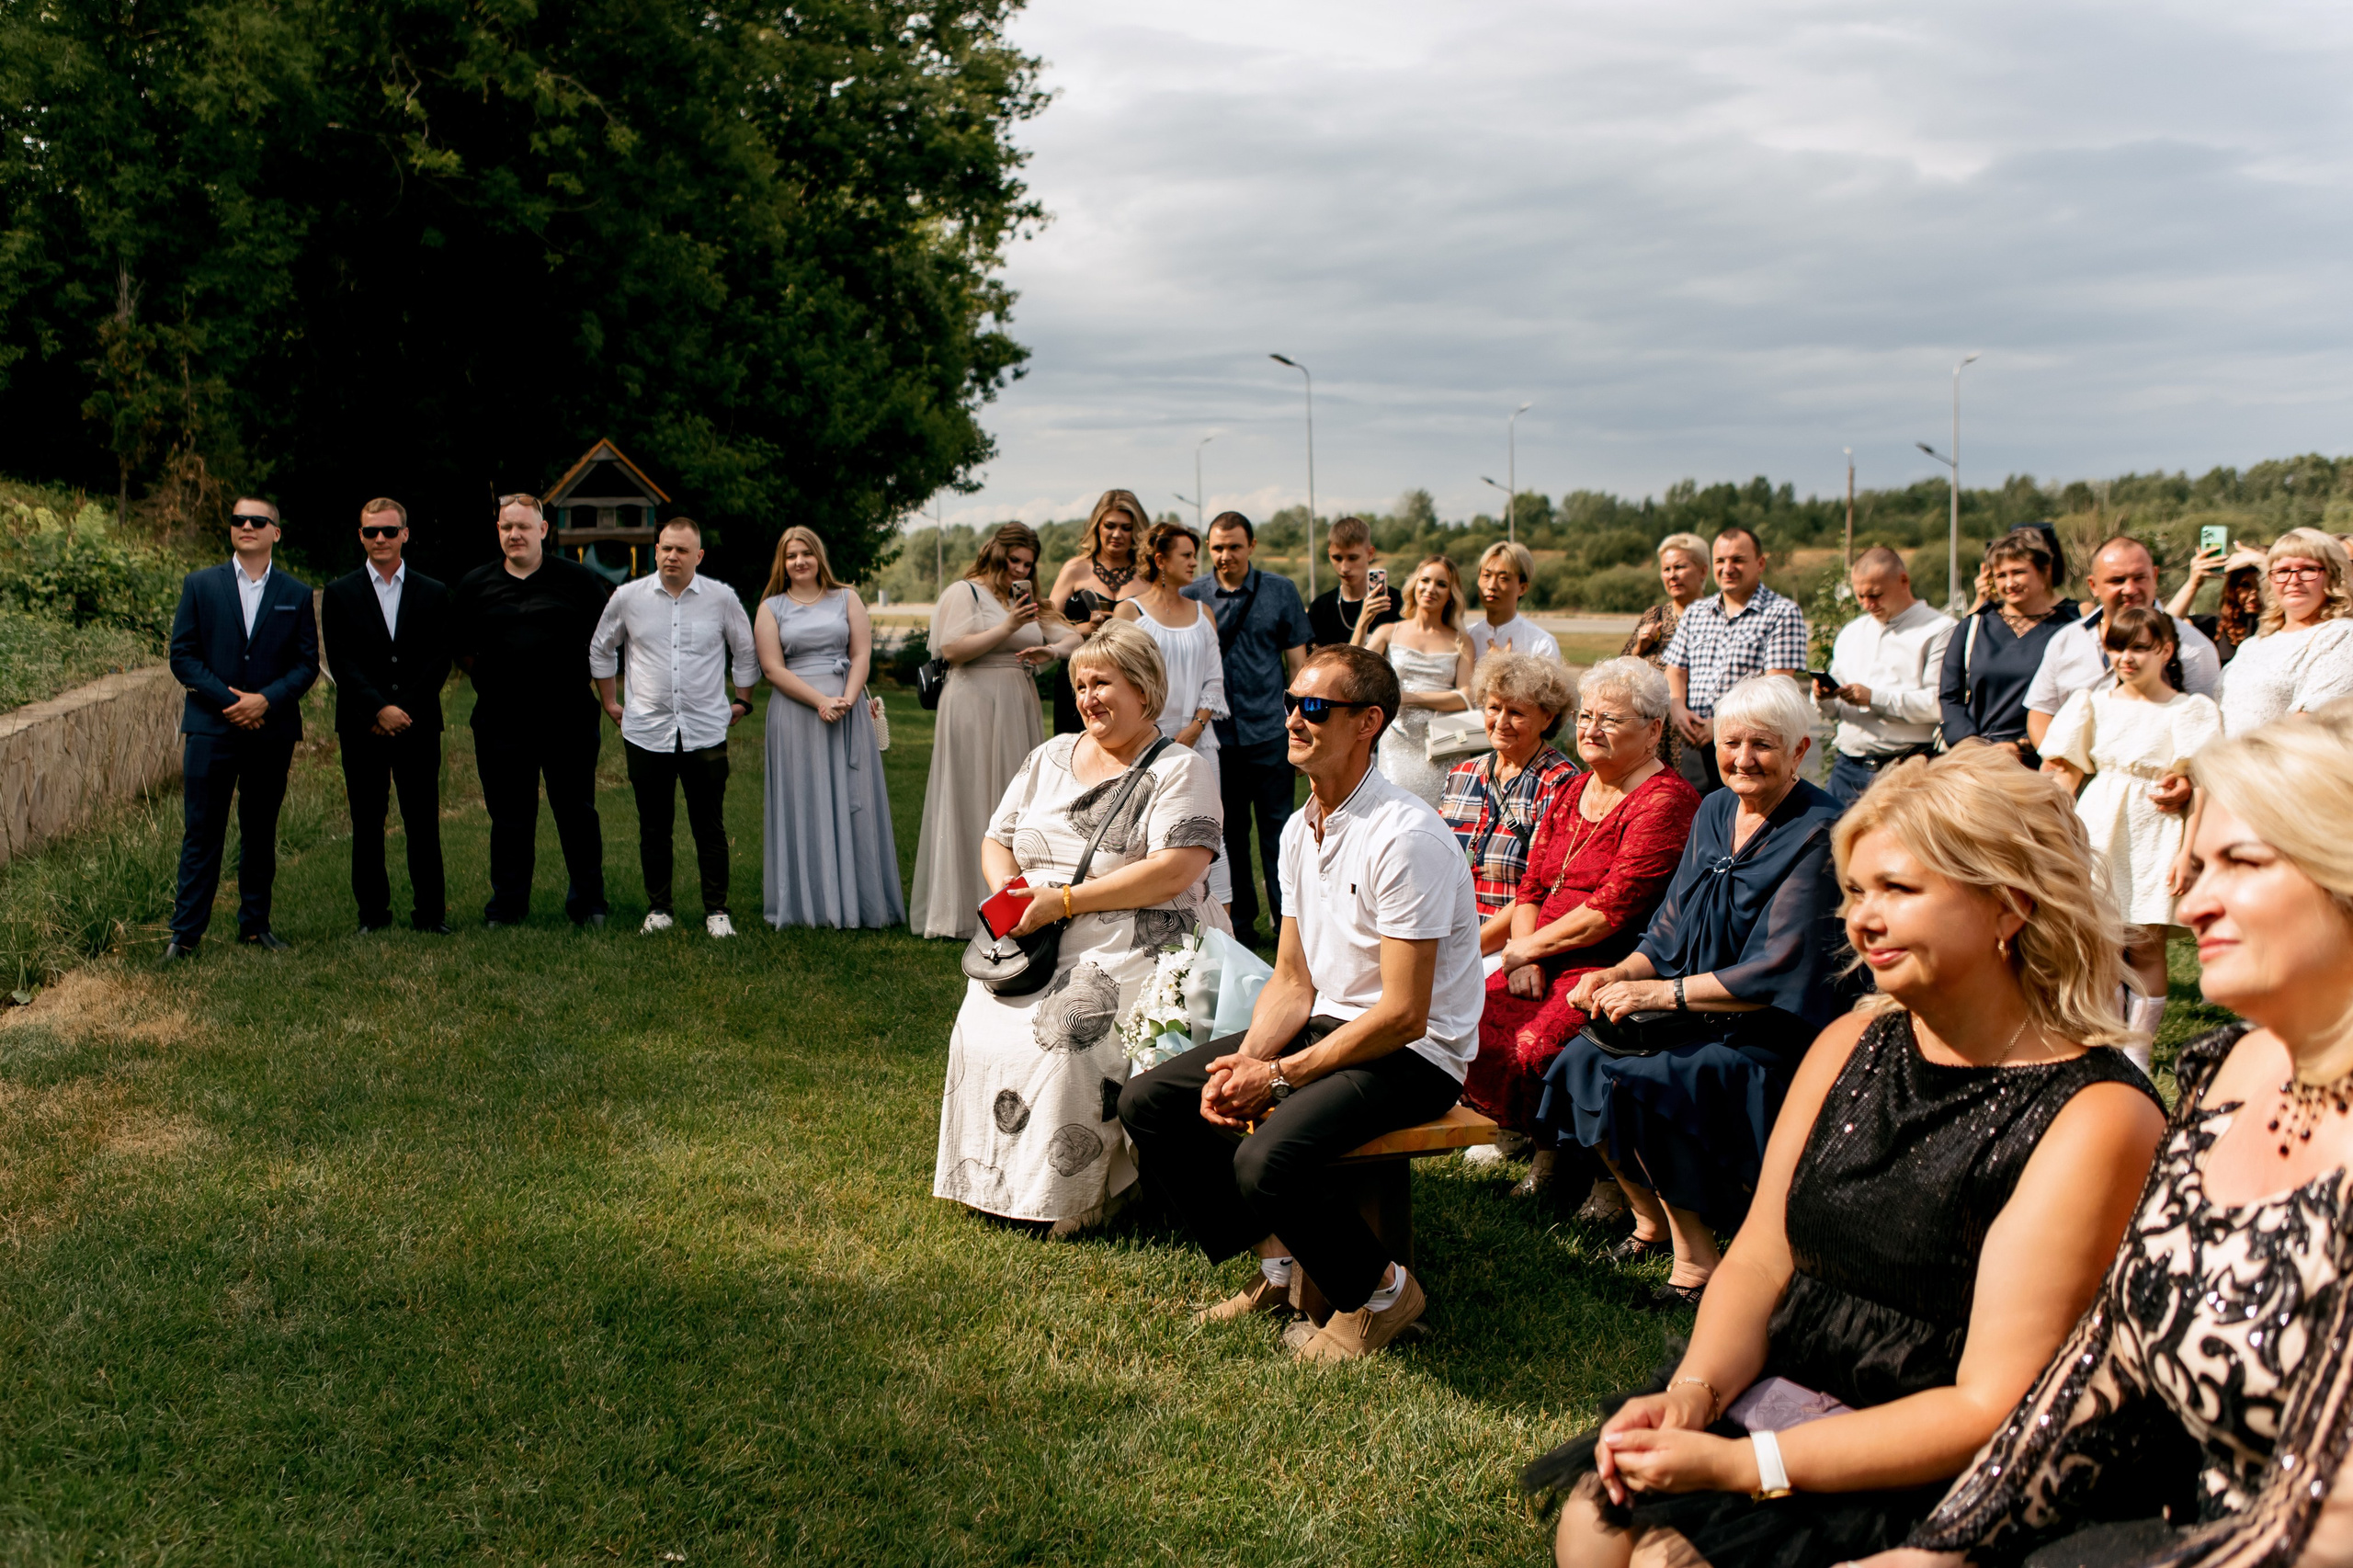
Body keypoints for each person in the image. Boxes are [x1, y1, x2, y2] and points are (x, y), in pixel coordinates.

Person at [1532, 744, 2165, 1568]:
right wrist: (1692, 1394)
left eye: (1899, 890)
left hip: (1944, 1452)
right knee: (1594, 1516)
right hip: (1788, 1381)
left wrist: (1744, 1463)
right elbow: (1760, 1256)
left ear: (2009, 908)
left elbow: (1990, 1403)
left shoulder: (2095, 1112)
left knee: (1669, 1561)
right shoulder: (1853, 1040)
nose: (1863, 918)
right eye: (1856, 890)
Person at [1881, 702, 2353, 1568]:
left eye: (2240, 863)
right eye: (2194, 860)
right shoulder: (2228, 1070)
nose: (2186, 893)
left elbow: (2328, 1522)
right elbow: (2110, 1355)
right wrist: (1935, 1549)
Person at [1118, 644, 1483, 1361]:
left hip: (1416, 1053)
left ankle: (1382, 1294)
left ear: (1367, 722)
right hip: (1335, 1025)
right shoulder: (1297, 827)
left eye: (1315, 708)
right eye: (1291, 703)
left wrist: (1280, 1077)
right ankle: (1277, 1266)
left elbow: (1407, 1013)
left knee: (1265, 1159)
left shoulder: (1407, 838)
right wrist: (1246, 1065)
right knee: (1151, 1101)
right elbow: (1292, 981)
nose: (1293, 719)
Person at [1538, 676, 1847, 1307]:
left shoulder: (1822, 830)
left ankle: (1698, 1262)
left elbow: (1778, 969)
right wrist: (1624, 973)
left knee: (1647, 1086)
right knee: (1577, 1060)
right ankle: (1650, 1221)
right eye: (1732, 742)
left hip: (1772, 1030)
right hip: (1694, 1010)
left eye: (1764, 744)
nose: (1742, 758)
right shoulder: (1713, 809)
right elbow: (1672, 920)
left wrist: (1661, 996)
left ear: (1800, 751)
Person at [932, 620, 1227, 1234]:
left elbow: (1176, 870)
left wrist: (1063, 901)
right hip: (1039, 933)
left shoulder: (1181, 769)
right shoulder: (1048, 756)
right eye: (1081, 684)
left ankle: (1080, 1197)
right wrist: (1014, 894)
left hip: (1143, 942)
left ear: (1144, 690)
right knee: (978, 1031)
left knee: (1067, 1039)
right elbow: (998, 838)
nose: (1089, 696)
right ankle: (992, 1180)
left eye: (1104, 683)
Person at [1470, 658, 1699, 1198]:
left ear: (1653, 731)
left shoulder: (1665, 801)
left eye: (1610, 720)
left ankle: (1606, 1183)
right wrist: (1527, 953)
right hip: (1544, 949)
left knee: (1535, 1044)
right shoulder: (1577, 788)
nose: (1591, 730)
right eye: (1587, 716)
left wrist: (1524, 952)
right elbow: (1531, 885)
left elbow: (1611, 910)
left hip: (1613, 961)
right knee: (1471, 1018)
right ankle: (1547, 1153)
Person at [2039, 606, 2221, 1070]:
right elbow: (2064, 772)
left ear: (2165, 649)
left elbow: (2202, 784)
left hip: (2153, 829)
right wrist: (2053, 833)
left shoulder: (2188, 710)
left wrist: (2187, 853)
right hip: (2100, 822)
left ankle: (2137, 1050)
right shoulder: (2092, 703)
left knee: (2142, 941)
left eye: (2139, 647)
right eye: (2117, 647)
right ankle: (2101, 1039)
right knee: (2098, 941)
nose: (2126, 658)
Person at [162, 496, 320, 960]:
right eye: (238, 520)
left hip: (271, 732)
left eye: (257, 520)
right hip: (212, 729)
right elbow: (183, 656)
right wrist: (232, 701)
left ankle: (255, 925)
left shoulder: (295, 592)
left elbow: (306, 663)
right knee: (202, 831)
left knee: (260, 829)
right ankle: (185, 935)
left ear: (275, 532)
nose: (246, 526)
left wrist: (265, 701)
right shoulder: (200, 585)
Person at [588, 518, 757, 937]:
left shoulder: (721, 598)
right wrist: (610, 701)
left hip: (704, 731)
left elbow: (746, 650)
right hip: (646, 731)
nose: (671, 556)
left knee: (709, 825)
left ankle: (717, 911)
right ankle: (659, 908)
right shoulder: (629, 597)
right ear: (656, 550)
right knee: (654, 825)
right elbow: (601, 647)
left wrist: (743, 700)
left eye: (681, 550)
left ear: (698, 556)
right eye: (665, 548)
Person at [910, 524, 1080, 938]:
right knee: (970, 793)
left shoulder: (1024, 601)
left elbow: (1075, 637)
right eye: (1014, 560)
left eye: (1027, 563)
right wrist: (1007, 626)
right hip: (972, 700)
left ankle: (1013, 907)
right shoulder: (963, 593)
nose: (1019, 568)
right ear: (995, 554)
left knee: (1014, 800)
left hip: (1017, 701)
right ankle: (960, 912)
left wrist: (1051, 650)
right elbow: (951, 649)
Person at [453, 493, 614, 927]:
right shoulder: (474, 585)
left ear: (543, 530)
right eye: (506, 527)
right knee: (509, 817)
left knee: (577, 811)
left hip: (569, 719)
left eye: (523, 526)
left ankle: (589, 903)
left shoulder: (580, 582)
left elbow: (604, 645)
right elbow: (464, 650)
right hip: (500, 722)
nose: (514, 535)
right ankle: (507, 907)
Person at [755, 525, 903, 930]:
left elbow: (861, 652)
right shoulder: (771, 608)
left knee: (853, 801)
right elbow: (771, 668)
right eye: (790, 556)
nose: (799, 561)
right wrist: (819, 700)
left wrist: (847, 700)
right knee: (804, 800)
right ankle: (809, 905)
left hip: (846, 707)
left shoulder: (846, 598)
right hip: (796, 715)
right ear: (782, 563)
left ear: (819, 557)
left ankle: (862, 904)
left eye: (806, 553)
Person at [320, 496, 451, 935]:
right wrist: (378, 708)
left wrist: (403, 709)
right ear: (360, 536)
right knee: (367, 823)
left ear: (405, 535)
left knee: (422, 822)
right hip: (362, 726)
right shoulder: (339, 593)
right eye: (371, 532)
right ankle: (372, 916)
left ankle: (430, 916)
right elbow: (341, 661)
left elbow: (438, 659)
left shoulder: (433, 592)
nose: (380, 538)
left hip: (417, 725)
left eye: (389, 531)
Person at [1182, 512, 1313, 946]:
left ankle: (1286, 923)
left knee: (1281, 835)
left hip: (1271, 732)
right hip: (1218, 739)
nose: (1225, 556)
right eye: (1217, 547)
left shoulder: (1281, 591)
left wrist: (1303, 731)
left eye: (1234, 546)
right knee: (1230, 835)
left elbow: (1299, 667)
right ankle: (1239, 926)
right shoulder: (1193, 596)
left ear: (1251, 546)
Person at [1115, 522, 1232, 907]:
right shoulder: (1130, 612)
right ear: (1160, 560)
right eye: (1186, 555)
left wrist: (1194, 729)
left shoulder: (1203, 613)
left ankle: (1220, 923)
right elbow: (1118, 678)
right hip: (1141, 743)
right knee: (1144, 830)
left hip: (1201, 742)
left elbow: (1215, 680)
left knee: (1208, 829)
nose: (1194, 563)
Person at [2023, 536, 2221, 754]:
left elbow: (2204, 729)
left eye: (2139, 578)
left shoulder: (2193, 647)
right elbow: (2041, 711)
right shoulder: (2067, 640)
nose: (2130, 589)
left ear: (2154, 576)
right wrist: (2058, 762)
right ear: (2093, 585)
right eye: (2117, 581)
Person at [1438, 651, 1581, 948]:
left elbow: (1541, 888)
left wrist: (1465, 950)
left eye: (1516, 712)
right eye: (1493, 708)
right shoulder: (1462, 774)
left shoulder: (1561, 783)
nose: (1501, 721)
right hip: (1445, 931)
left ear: (1547, 718)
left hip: (1510, 942)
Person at [1663, 527, 1809, 795]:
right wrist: (1677, 708)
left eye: (1738, 560)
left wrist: (1720, 726)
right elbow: (1676, 669)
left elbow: (1775, 687)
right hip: (1694, 743)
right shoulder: (1697, 612)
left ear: (1760, 564)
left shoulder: (1782, 613)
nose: (1728, 568)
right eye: (1721, 561)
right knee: (1697, 821)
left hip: (1747, 750)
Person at [1817, 547, 1956, 809]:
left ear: (1904, 580)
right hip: (1847, 767)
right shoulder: (1852, 631)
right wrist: (1824, 698)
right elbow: (1835, 710)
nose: (1868, 604)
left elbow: (1938, 704)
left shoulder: (1940, 629)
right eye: (1861, 596)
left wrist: (1874, 699)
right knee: (1829, 848)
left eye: (1876, 595)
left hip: (1906, 768)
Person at [1939, 530, 2079, 768]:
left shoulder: (2072, 626)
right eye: (2001, 575)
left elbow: (2079, 701)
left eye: (2019, 572)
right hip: (1977, 763)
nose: (2009, 583)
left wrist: (2023, 746)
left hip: (2046, 762)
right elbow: (1949, 696)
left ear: (2044, 572)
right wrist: (1972, 747)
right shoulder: (1974, 626)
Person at [2212, 527, 2353, 735]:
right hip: (2228, 764)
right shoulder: (2253, 644)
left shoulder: (2340, 636)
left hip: (2282, 764)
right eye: (2283, 571)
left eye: (2308, 569)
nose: (2293, 580)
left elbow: (2311, 719)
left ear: (2332, 576)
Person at [1362, 553, 1476, 807]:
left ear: (1451, 595)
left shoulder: (1461, 640)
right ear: (1414, 584)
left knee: (1441, 821)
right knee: (1393, 813)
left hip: (1444, 745)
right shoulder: (1389, 632)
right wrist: (1362, 622)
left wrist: (1410, 698)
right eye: (1425, 580)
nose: (1431, 589)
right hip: (1396, 741)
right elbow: (1355, 676)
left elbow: (1466, 697)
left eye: (1441, 584)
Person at [1044, 489, 1146, 734]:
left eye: (1126, 527)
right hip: (1077, 680)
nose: (1117, 534)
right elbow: (1046, 625)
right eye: (1110, 525)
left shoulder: (1148, 574)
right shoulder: (1075, 569)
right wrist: (1081, 630)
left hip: (1129, 680)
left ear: (1136, 531)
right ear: (1097, 526)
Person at [1622, 533, 1711, 785]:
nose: (1672, 575)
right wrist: (1639, 647)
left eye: (1681, 567)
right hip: (1652, 735)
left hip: (1692, 734)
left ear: (1703, 570)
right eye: (1666, 569)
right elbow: (1620, 671)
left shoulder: (1715, 617)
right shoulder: (1655, 614)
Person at [1307, 515, 1400, 648]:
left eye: (1353, 558)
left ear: (1370, 554)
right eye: (1337, 558)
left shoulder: (1397, 603)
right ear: (1329, 554)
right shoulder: (1320, 609)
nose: (1344, 568)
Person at [2167, 541, 2266, 665]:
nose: (2254, 594)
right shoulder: (2214, 628)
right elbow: (2162, 628)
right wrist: (2193, 583)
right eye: (2245, 585)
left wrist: (2262, 562)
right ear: (2233, 587)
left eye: (2262, 585)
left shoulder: (2286, 628)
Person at [1469, 541, 1562, 662]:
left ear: (1522, 588)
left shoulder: (1541, 644)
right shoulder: (1465, 637)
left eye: (1503, 578)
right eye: (1486, 575)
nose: (1491, 586)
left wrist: (1503, 667)